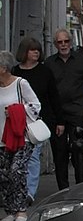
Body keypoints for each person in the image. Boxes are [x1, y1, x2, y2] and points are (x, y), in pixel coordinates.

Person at [46, 28, 83, 188]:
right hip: (57, 113)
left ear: (71, 42)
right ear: (56, 44)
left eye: (66, 41)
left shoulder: (82, 60)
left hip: (76, 110)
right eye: (60, 42)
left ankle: (80, 186)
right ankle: (62, 188)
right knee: (59, 151)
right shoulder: (49, 63)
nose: (63, 45)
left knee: (77, 149)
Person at [0, 50, 42, 221]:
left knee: (17, 171)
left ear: (3, 68)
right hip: (1, 138)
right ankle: (10, 210)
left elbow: (36, 106)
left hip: (20, 137)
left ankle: (22, 210)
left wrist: (16, 110)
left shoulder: (20, 84)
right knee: (3, 175)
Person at [15, 37, 55, 208]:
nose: (36, 52)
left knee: (33, 156)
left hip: (36, 121)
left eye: (38, 50)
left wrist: (56, 120)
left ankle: (30, 192)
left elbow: (52, 97)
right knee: (16, 159)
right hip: (16, 121)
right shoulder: (15, 72)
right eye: (32, 50)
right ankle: (17, 190)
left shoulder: (44, 71)